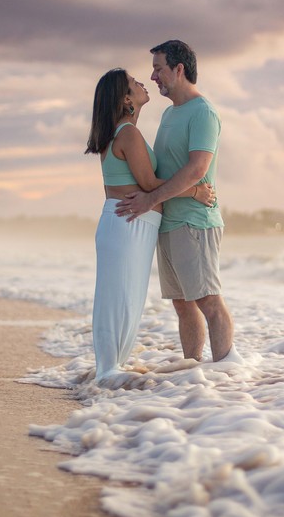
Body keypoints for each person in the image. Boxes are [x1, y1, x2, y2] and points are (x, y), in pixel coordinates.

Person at [85, 68, 215, 382]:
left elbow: (146, 183)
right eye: (134, 83)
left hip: (130, 224)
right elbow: (148, 182)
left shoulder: (123, 131)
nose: (143, 82)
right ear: (126, 99)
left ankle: (109, 369)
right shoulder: (127, 133)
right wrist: (196, 191)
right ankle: (108, 372)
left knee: (124, 298)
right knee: (121, 299)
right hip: (129, 224)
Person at [115, 40, 235, 363]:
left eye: (158, 68)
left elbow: (197, 169)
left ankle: (227, 372)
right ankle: (192, 373)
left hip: (195, 221)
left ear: (179, 69)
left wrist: (151, 198)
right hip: (168, 222)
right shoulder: (169, 113)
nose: (153, 76)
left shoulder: (204, 112)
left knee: (208, 300)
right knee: (182, 304)